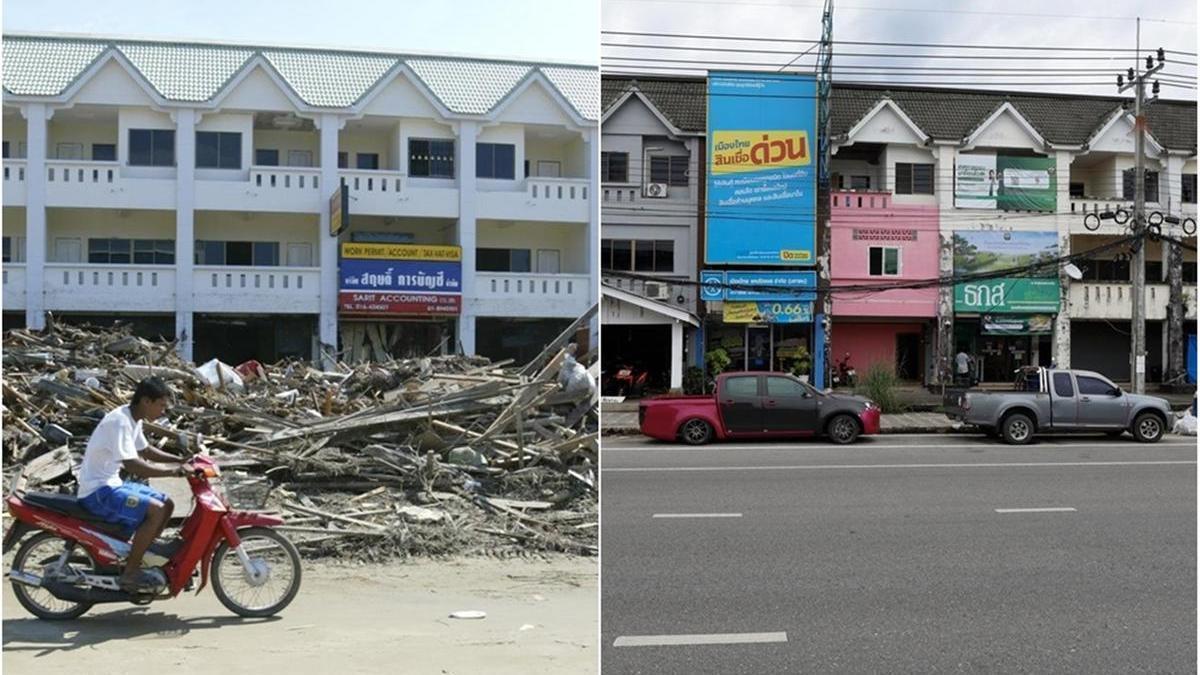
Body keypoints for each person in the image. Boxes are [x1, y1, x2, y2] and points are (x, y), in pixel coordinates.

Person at [77, 377, 191, 593]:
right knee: (155, 510)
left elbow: (146, 451)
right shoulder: (119, 422)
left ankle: (145, 555)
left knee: (167, 504)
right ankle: (130, 572)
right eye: (161, 405)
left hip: (112, 484)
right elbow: (133, 464)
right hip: (98, 491)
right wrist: (172, 471)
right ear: (146, 401)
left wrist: (181, 461)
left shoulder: (133, 418)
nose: (163, 411)